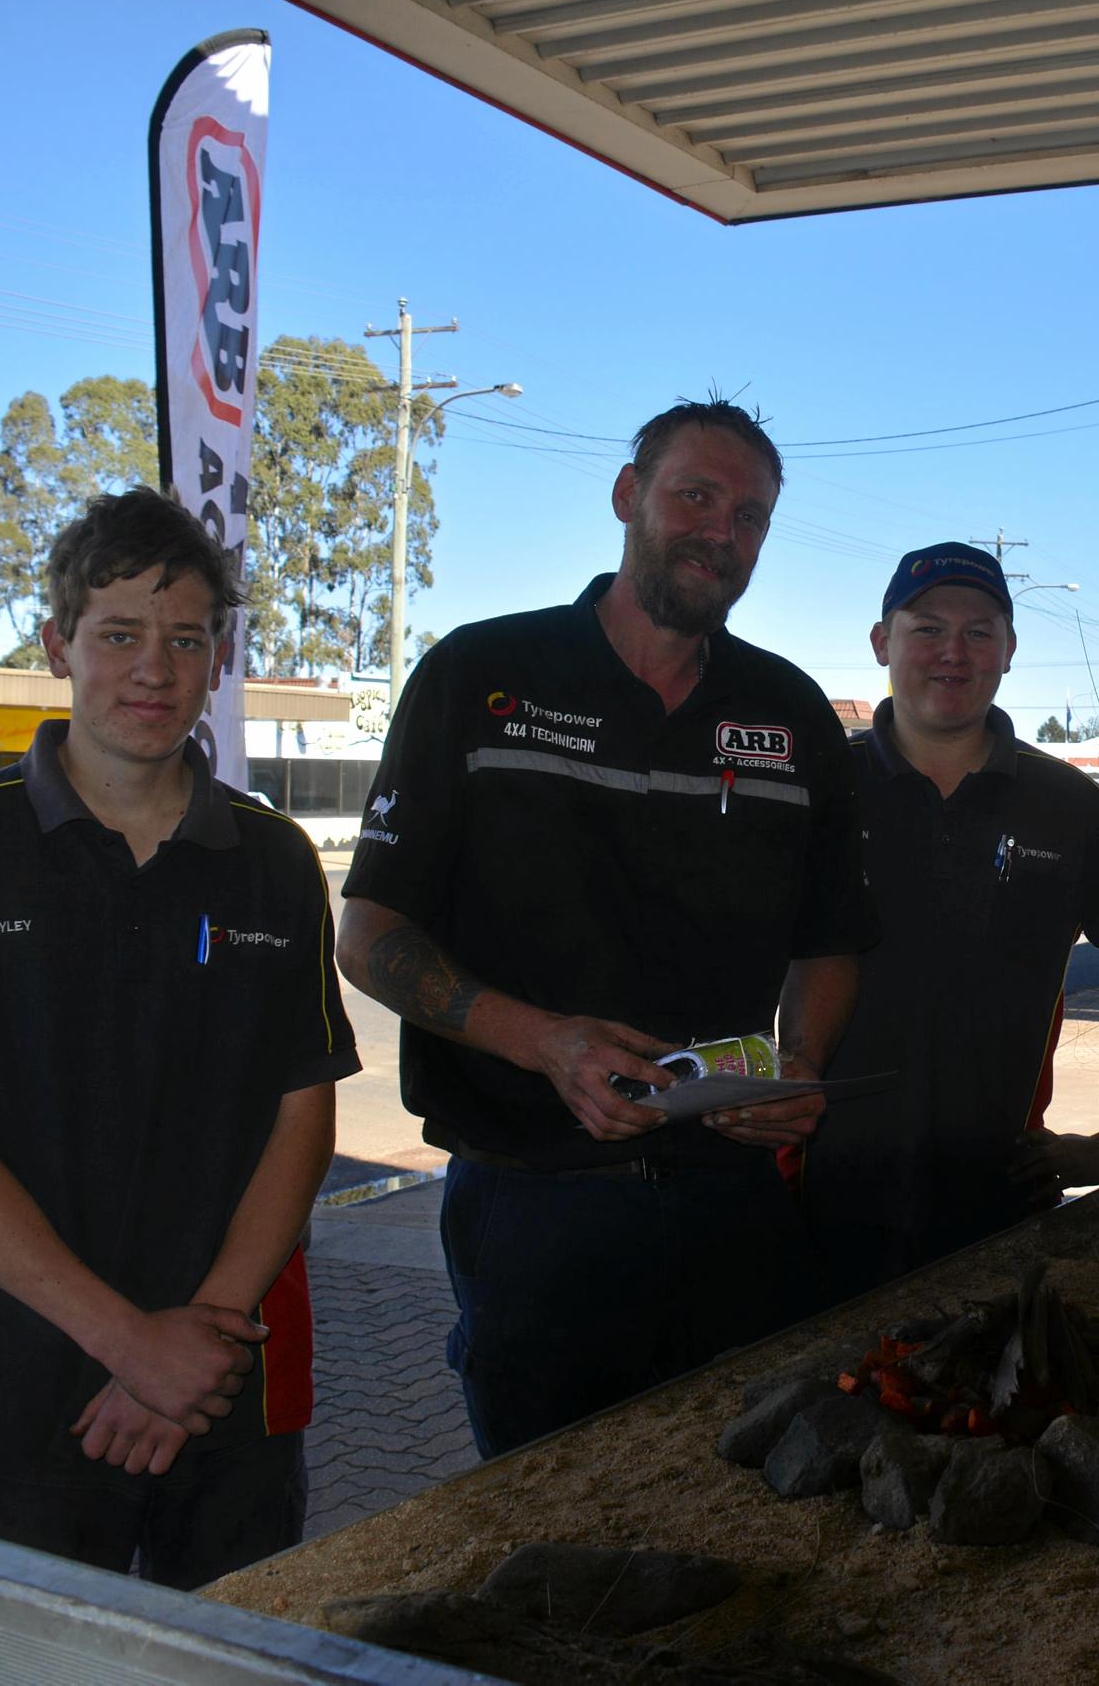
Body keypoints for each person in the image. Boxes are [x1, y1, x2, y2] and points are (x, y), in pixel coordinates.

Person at [336, 398, 874, 1458]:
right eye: (697, 496)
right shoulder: (480, 678)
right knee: (545, 1521)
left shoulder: (795, 713)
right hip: (534, 1204)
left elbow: (829, 942)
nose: (723, 532)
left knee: (745, 1505)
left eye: (753, 516)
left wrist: (801, 1064)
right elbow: (368, 935)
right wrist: (548, 1044)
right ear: (630, 496)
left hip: (734, 1200)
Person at [0, 487, 358, 1588]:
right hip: (22, 1387)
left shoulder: (272, 860)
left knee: (234, 1663)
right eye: (119, 634)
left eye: (187, 640)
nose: (155, 669)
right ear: (56, 646)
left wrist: (200, 1345)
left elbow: (302, 1123)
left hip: (235, 1379)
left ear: (219, 659)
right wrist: (137, 1348)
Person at [802, 542, 1099, 1303]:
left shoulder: (1072, 809)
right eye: (926, 628)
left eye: (980, 631)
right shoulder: (819, 794)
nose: (953, 652)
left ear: (1010, 650)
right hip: (812, 1196)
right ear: (881, 641)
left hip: (998, 1202)